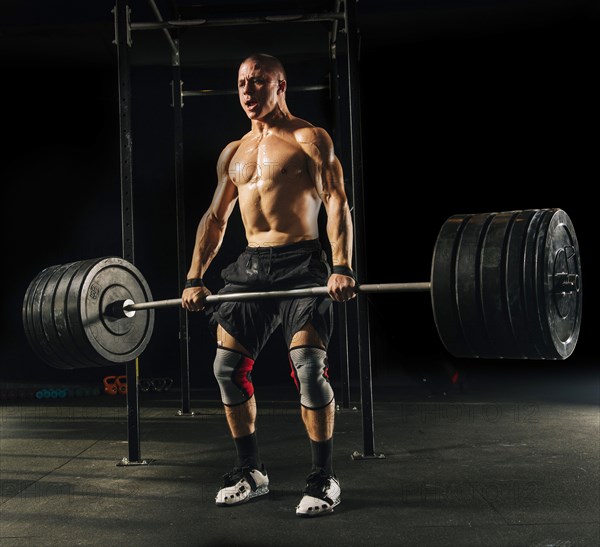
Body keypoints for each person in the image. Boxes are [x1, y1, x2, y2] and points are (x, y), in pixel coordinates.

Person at [181, 53, 355, 517]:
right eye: (241, 82)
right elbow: (216, 219)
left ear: (280, 85)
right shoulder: (233, 152)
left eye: (257, 82)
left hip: (302, 262)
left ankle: (323, 478)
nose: (247, 90)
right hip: (252, 264)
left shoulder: (308, 137)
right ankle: (250, 471)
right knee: (226, 369)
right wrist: (195, 277)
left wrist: (342, 266)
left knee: (308, 368)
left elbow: (336, 200)